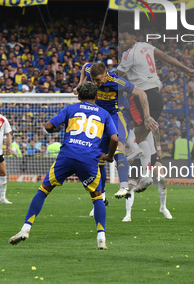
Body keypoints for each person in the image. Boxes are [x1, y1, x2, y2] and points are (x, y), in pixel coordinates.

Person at [9, 82, 118, 249]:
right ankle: (101, 239)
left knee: (44, 190)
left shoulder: (71, 108)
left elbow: (48, 127)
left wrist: (57, 129)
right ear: (97, 96)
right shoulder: (104, 114)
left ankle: (25, 229)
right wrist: (109, 156)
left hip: (67, 156)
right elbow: (115, 139)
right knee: (97, 198)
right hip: (89, 159)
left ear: (79, 96)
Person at [117, 23, 194, 221]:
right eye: (120, 40)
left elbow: (116, 77)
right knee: (142, 132)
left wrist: (100, 82)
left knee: (135, 133)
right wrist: (186, 69)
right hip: (156, 96)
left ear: (133, 38)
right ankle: (130, 209)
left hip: (143, 95)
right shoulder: (147, 47)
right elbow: (168, 58)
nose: (121, 43)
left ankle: (144, 170)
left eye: (125, 39)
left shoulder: (128, 55)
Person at [77, 61, 158, 204]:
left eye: (98, 80)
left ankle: (124, 187)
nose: (95, 83)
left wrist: (147, 117)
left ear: (105, 74)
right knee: (99, 156)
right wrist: (81, 82)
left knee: (118, 143)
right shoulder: (90, 71)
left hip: (117, 114)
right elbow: (85, 66)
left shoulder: (116, 81)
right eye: (93, 80)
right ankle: (101, 197)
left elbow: (141, 92)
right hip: (100, 115)